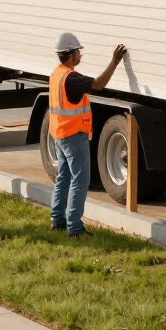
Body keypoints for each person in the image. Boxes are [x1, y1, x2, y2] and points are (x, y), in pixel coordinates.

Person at [49, 32, 127, 236]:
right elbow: (99, 84)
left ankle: (57, 220)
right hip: (73, 135)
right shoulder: (72, 78)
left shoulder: (57, 73)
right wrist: (114, 62)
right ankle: (74, 227)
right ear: (69, 54)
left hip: (59, 133)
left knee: (64, 178)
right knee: (80, 180)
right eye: (78, 51)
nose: (80, 55)